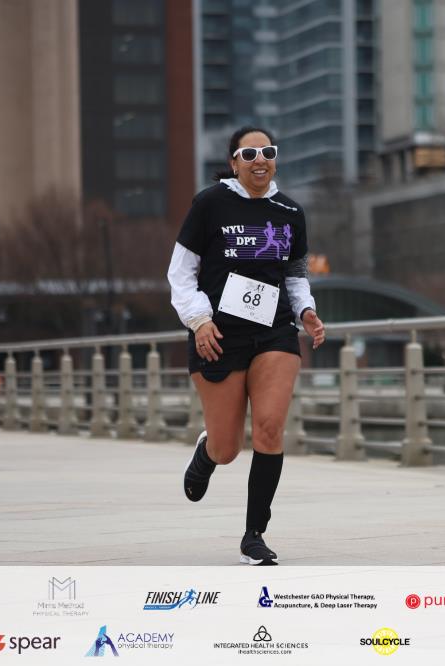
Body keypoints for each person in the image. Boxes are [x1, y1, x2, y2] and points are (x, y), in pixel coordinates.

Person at [167, 126, 326, 565]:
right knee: (228, 447)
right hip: (219, 334)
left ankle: (254, 535)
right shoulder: (210, 204)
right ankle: (208, 453)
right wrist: (199, 320)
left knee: (270, 429)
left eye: (268, 152)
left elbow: (295, 274)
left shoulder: (290, 211)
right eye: (250, 153)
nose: (260, 160)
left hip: (274, 331)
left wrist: (306, 311)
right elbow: (181, 273)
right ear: (233, 162)